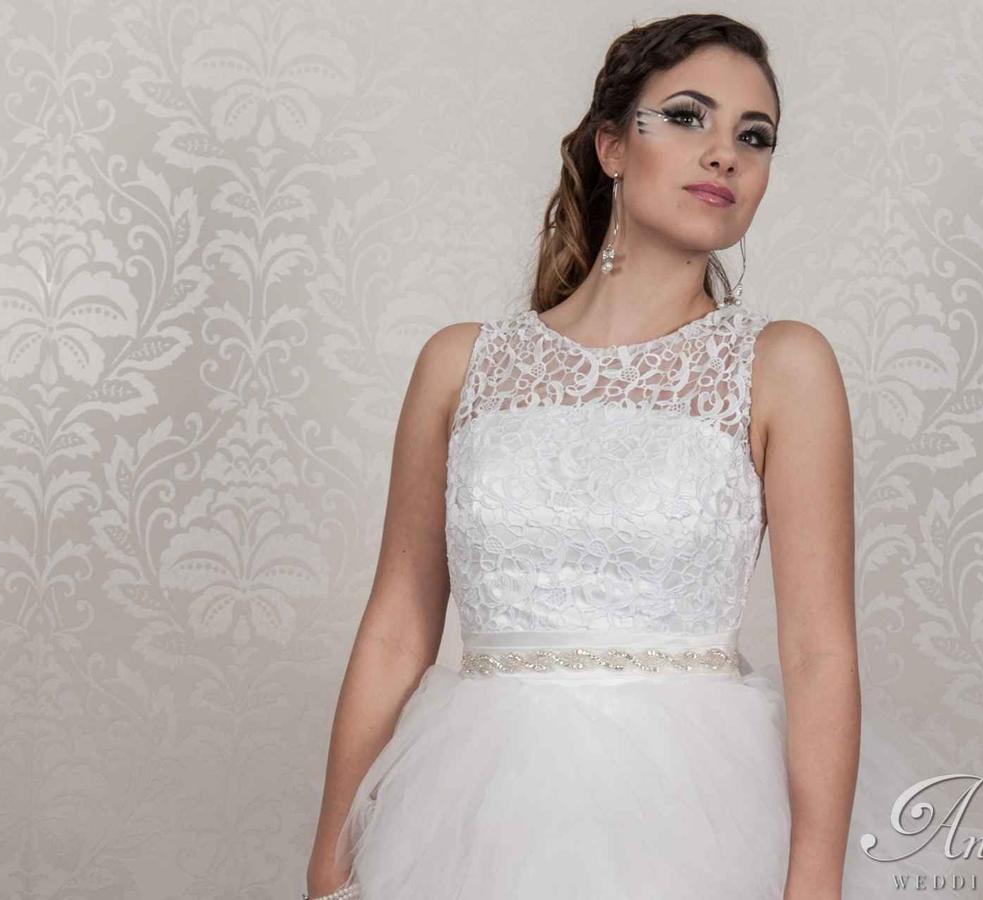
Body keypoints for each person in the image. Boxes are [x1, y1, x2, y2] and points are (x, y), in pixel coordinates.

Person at [305, 13, 863, 899]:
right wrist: (330, 860)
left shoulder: (782, 366)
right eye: (687, 116)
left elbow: (819, 652)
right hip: (471, 815)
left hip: (695, 814)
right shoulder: (462, 363)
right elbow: (398, 626)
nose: (725, 154)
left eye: (754, 137)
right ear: (612, 146)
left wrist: (816, 882)